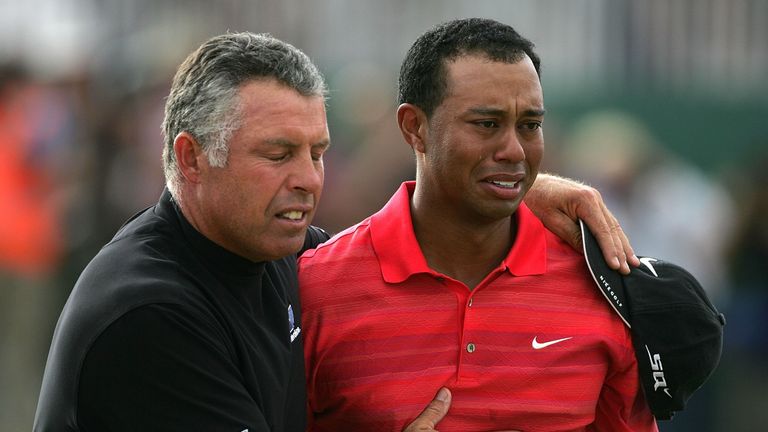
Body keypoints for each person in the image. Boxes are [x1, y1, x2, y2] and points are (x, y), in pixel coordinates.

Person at [34, 31, 637, 432]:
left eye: (317, 153)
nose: (308, 180)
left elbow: (401, 233)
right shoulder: (150, 315)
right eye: (277, 154)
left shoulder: (268, 248)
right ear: (191, 159)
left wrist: (513, 183)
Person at [299, 18, 657, 431]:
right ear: (414, 127)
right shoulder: (315, 288)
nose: (513, 150)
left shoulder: (603, 289)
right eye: (487, 124)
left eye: (530, 126)